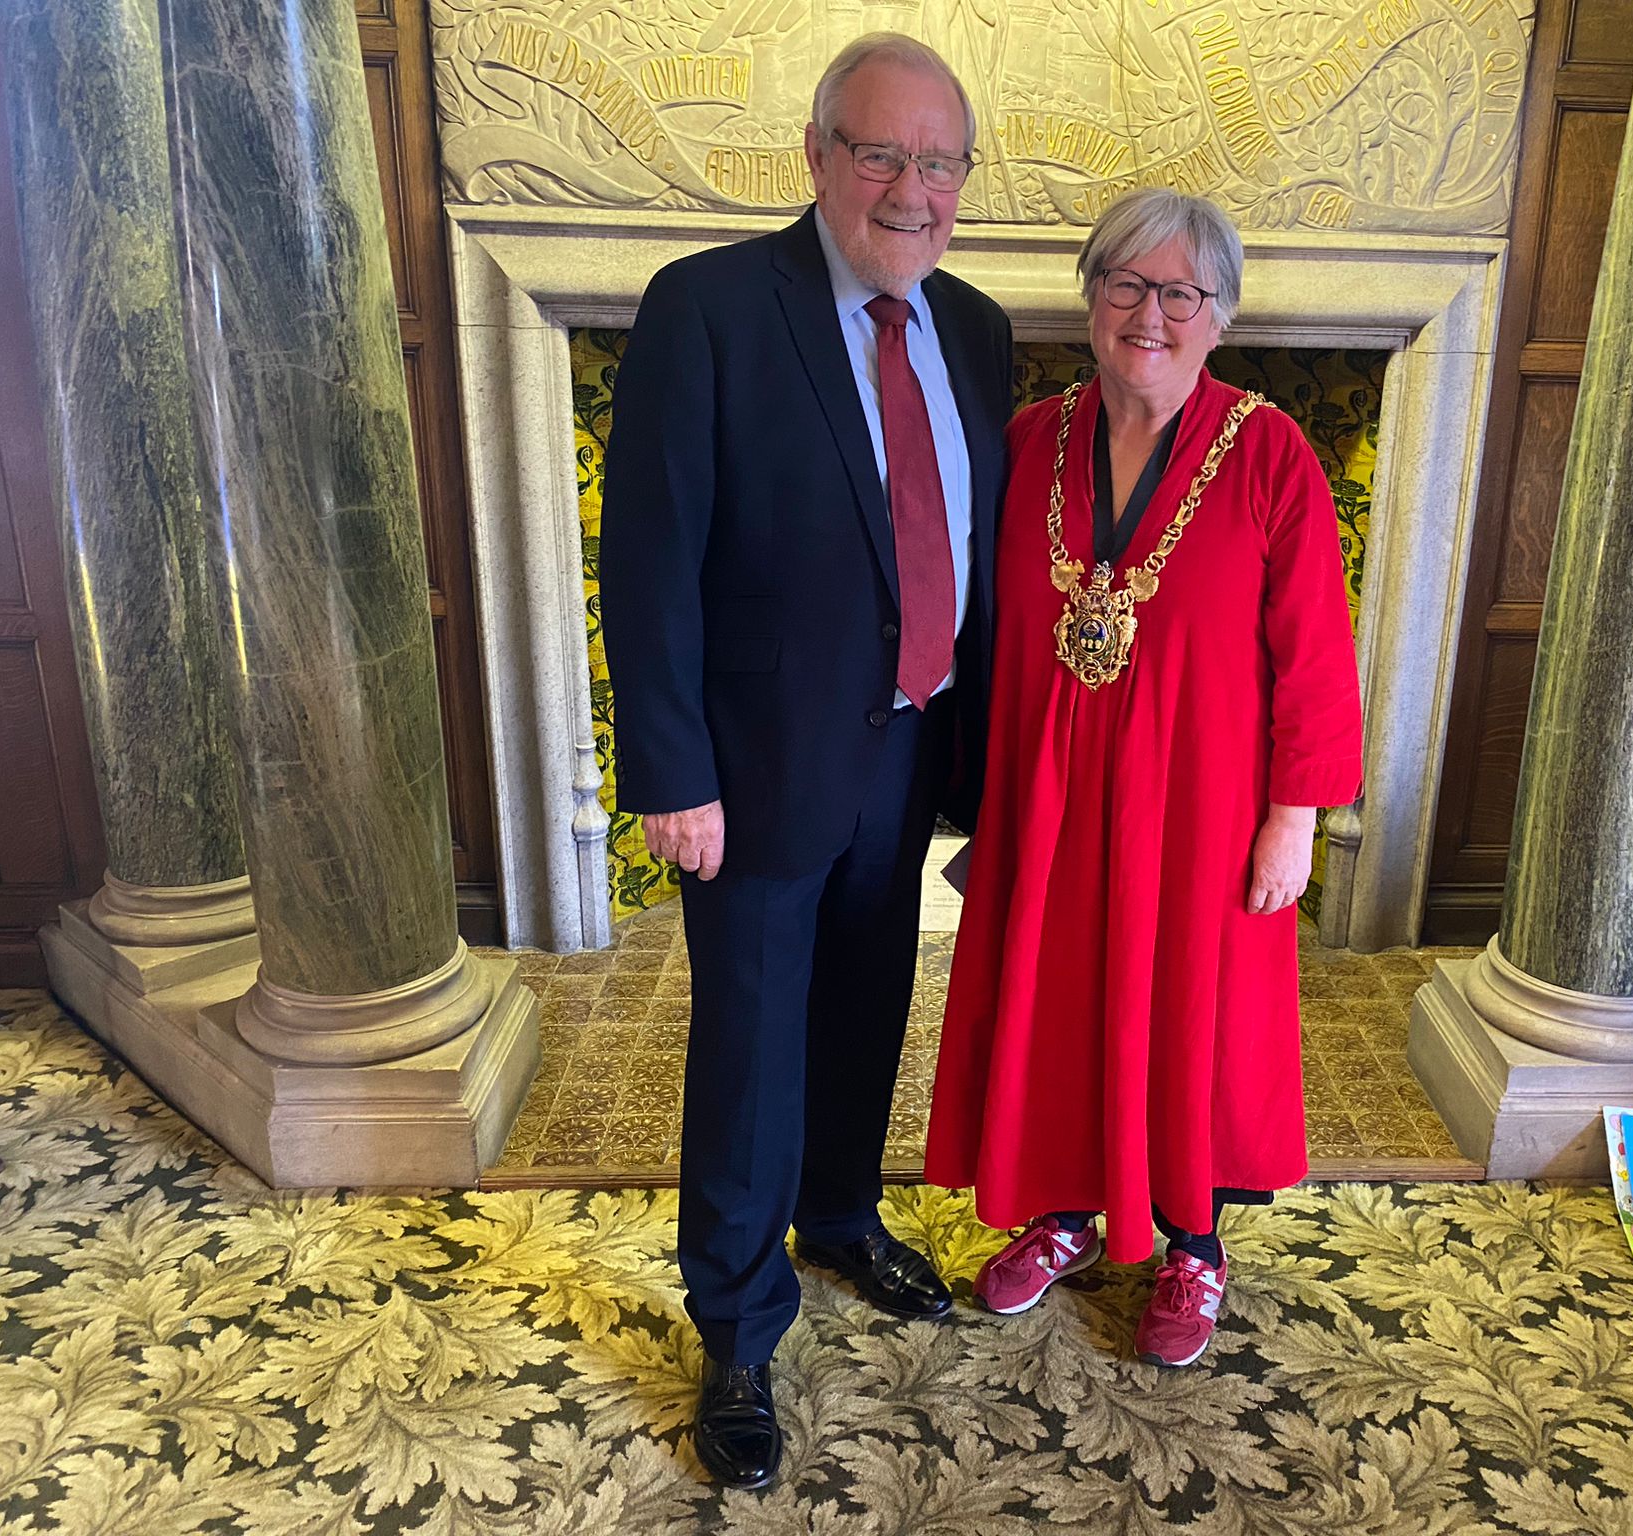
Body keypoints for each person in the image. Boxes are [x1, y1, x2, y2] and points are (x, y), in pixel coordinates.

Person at [598, 33, 1012, 1490]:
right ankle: (738, 1322)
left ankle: (839, 1215)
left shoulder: (971, 327)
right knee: (751, 1047)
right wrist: (669, 771)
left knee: (867, 1004)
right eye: (883, 154)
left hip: (908, 745)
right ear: (822, 157)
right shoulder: (708, 307)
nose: (914, 188)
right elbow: (648, 557)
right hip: (756, 765)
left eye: (940, 161)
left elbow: (976, 553)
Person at [924, 188, 1363, 1370]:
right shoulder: (1026, 441)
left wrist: (1293, 820)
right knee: (1061, 999)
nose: (1149, 315)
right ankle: (1068, 1215)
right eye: (1125, 285)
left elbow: (1314, 654)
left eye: (1181, 293)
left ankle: (1192, 1246)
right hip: (1053, 803)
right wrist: (968, 802)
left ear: (1218, 316)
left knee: (1192, 1020)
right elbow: (974, 632)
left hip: (1202, 810)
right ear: (1089, 298)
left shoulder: (1268, 452)